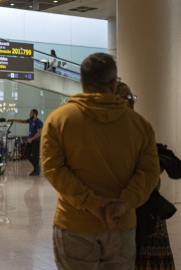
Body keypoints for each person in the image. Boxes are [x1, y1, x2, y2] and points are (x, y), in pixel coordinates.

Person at [40, 53, 160, 269]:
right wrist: (123, 203)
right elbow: (149, 172)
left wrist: (92, 204)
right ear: (113, 84)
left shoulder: (59, 120)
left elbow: (53, 169)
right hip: (121, 225)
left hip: (74, 224)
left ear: (82, 82)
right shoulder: (140, 125)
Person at [116, 82, 176, 270]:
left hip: (148, 212)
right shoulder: (105, 133)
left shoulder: (140, 127)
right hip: (124, 213)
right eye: (126, 97)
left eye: (132, 97)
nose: (131, 102)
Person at [8, 109, 43, 176]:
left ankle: (36, 170)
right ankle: (37, 167)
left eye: (31, 113)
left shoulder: (39, 122)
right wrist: (13, 120)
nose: (29, 114)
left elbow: (39, 133)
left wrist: (32, 139)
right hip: (30, 141)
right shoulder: (30, 120)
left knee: (35, 156)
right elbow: (22, 121)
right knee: (26, 154)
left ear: (34, 114)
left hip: (36, 141)